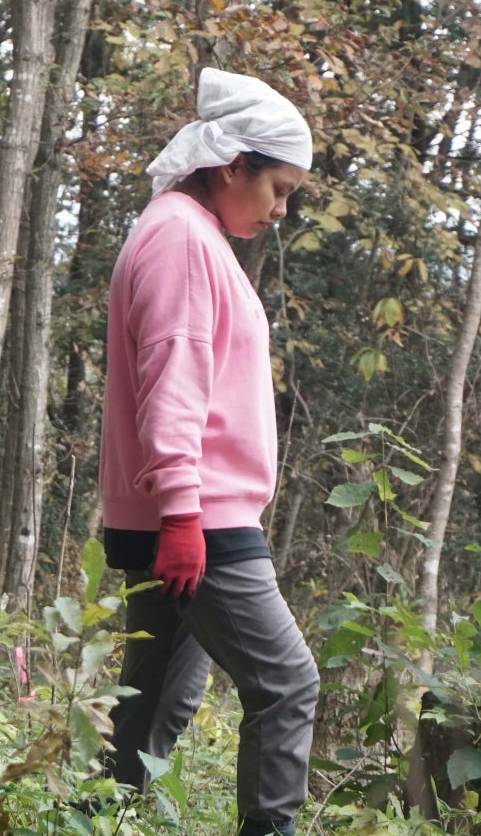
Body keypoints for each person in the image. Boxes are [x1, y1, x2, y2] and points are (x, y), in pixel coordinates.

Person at [97, 69, 321, 836]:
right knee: (287, 683)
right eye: (279, 188)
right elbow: (176, 379)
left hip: (186, 509)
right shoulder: (183, 238)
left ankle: (96, 820)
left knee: (159, 698)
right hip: (201, 517)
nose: (282, 209)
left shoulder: (183, 232)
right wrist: (183, 512)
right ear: (233, 165)